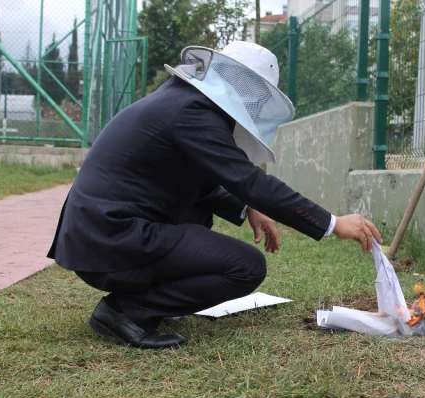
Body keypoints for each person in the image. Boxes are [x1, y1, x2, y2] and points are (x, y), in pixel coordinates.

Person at [47, 41, 382, 349]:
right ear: (242, 85)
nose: (256, 104)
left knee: (198, 220)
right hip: (110, 238)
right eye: (257, 95)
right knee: (246, 267)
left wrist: (247, 206)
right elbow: (250, 181)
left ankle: (140, 302)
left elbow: (198, 179)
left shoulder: (181, 100)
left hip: (100, 234)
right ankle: (127, 311)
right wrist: (332, 223)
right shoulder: (193, 112)